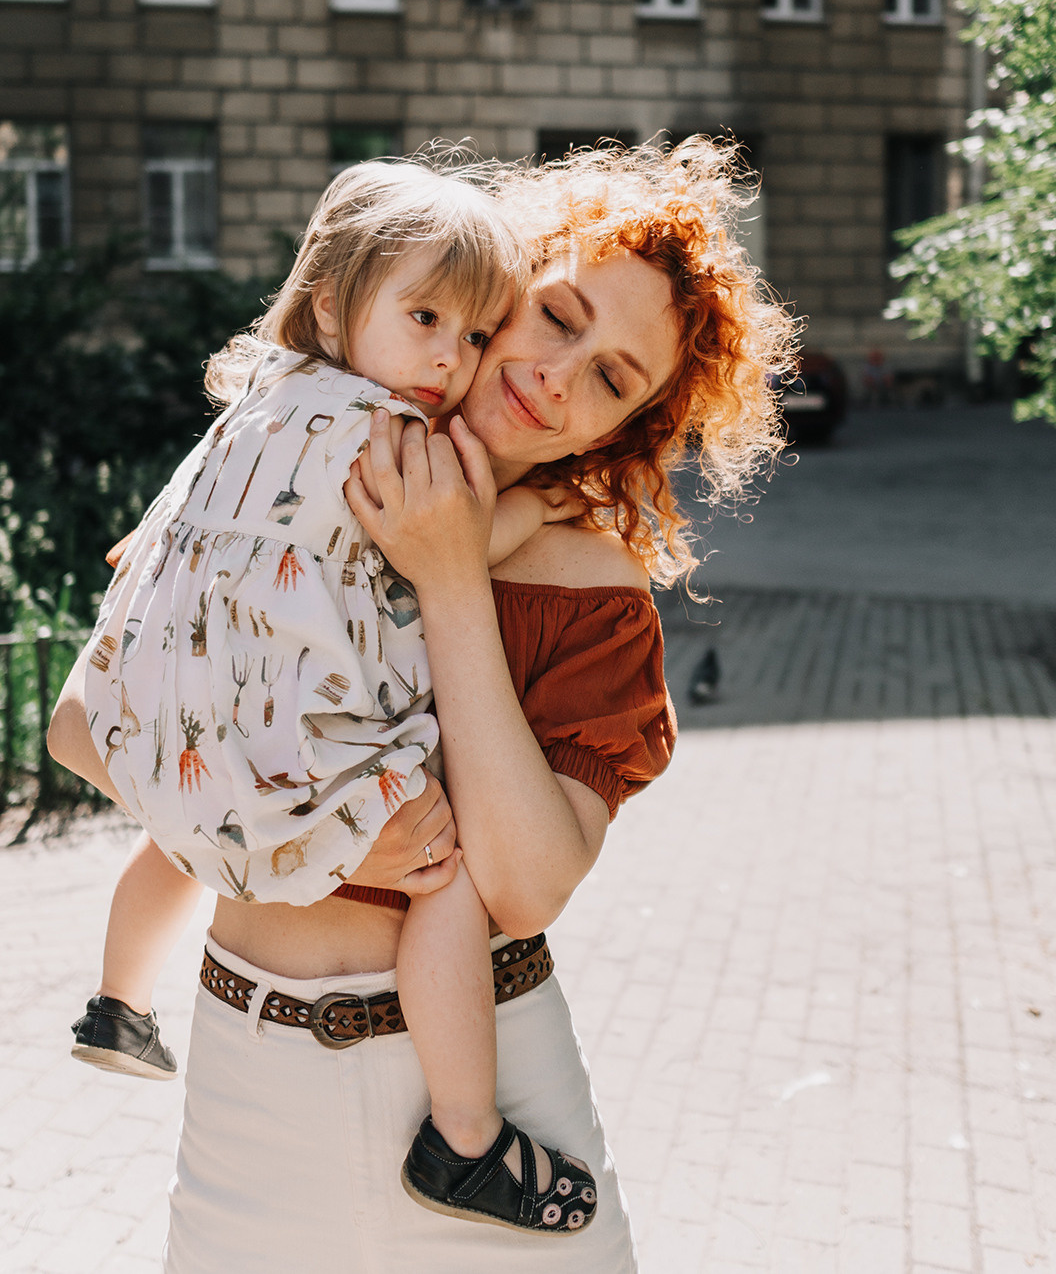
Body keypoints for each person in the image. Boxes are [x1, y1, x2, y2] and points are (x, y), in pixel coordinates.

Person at [49, 137, 796, 1272]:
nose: (559, 375)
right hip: (253, 1080)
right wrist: (317, 828)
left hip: (494, 1085)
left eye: (612, 379)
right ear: (496, 284)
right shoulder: (294, 468)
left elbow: (525, 883)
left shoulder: (592, 588)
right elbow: (81, 727)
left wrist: (450, 580)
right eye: (557, 316)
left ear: (624, 429)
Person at [57, 160, 601, 1238]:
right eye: (426, 317)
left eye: (476, 333)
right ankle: (466, 1139)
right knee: (444, 881)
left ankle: (116, 1002)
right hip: (310, 727)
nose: (450, 357)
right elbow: (453, 541)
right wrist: (537, 515)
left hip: (187, 703)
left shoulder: (256, 402)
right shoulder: (393, 436)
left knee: (180, 833)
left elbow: (166, 533)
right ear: (329, 306)